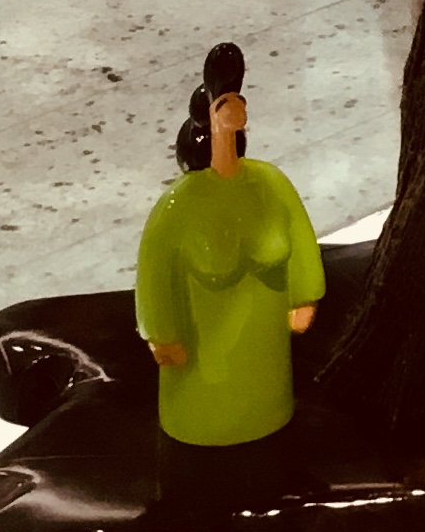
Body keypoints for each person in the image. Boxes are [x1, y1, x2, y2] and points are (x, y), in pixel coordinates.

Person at [135, 41, 325, 446]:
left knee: (265, 395)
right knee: (205, 404)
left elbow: (300, 239)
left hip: (265, 352)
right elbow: (155, 271)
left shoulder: (270, 184)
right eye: (224, 105)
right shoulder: (178, 207)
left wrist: (304, 295)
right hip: (202, 363)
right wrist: (161, 333)